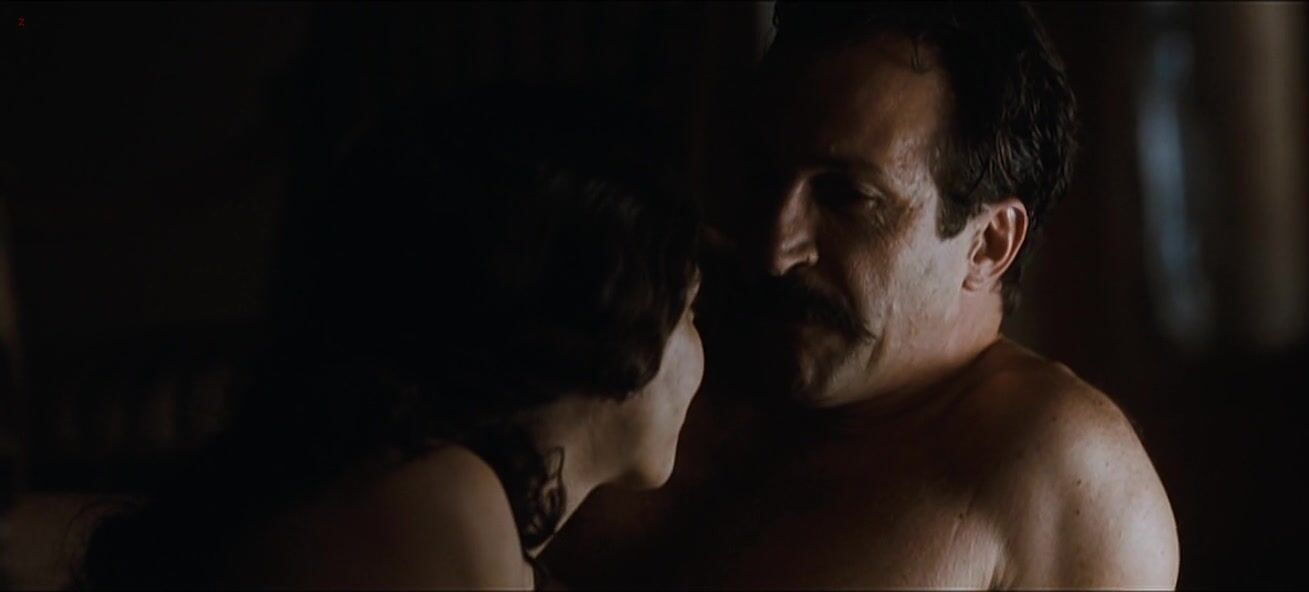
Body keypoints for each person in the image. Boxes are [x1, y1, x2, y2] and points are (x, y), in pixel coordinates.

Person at [545, 2, 1180, 588]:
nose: (777, 247)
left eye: (848, 197)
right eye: (764, 175)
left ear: (988, 244)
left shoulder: (1063, 479)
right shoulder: (649, 344)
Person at [75, 88, 703, 590]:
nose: (703, 350)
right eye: (691, 312)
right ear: (607, 319)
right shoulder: (437, 505)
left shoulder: (433, 506)